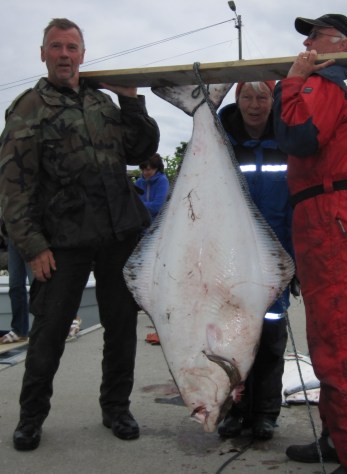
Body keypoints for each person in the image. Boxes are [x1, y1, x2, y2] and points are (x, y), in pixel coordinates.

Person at [0, 18, 159, 451]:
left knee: (121, 328)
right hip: (61, 244)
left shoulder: (101, 102)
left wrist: (131, 103)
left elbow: (141, 150)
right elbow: (13, 188)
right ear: (43, 53)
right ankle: (31, 418)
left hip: (117, 236)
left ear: (83, 54)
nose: (65, 55)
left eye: (72, 47)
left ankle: (116, 408)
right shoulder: (27, 107)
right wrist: (32, 246)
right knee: (49, 332)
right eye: (56, 47)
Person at [272, 14, 347, 474]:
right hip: (335, 210)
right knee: (329, 338)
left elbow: (298, 135)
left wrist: (290, 83)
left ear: (340, 43)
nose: (306, 42)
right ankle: (339, 441)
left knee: (341, 343)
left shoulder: (332, 77)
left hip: (331, 213)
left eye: (314, 35)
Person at [217, 81, 294, 440]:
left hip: (275, 258)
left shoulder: (288, 140)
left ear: (272, 101)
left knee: (271, 339)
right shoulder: (222, 146)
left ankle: (265, 413)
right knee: (230, 341)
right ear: (237, 100)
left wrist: (295, 260)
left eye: (262, 97)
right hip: (232, 260)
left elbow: (296, 202)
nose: (254, 104)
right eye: (247, 96)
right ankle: (232, 410)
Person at [0, 238, 33, 344]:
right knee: (15, 285)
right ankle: (19, 330)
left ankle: (54, 327)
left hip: (31, 235)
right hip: (13, 237)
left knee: (38, 285)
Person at [136, 153, 169, 221]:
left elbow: (157, 207)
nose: (144, 173)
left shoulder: (162, 181)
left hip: (157, 226)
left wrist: (137, 205)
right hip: (140, 225)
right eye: (142, 169)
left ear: (156, 168)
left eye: (148, 170)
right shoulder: (139, 182)